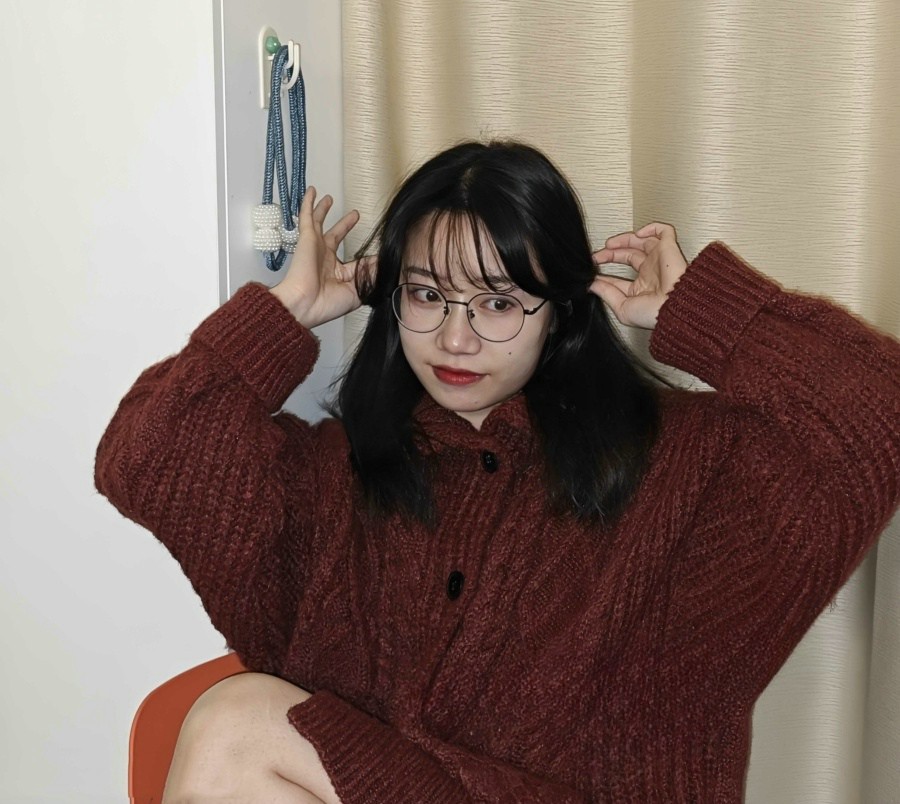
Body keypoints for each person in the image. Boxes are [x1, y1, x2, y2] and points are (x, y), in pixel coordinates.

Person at [95, 140, 900, 803]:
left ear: (561, 313)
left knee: (237, 725)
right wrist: (289, 310)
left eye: (499, 303)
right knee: (234, 732)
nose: (456, 339)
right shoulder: (337, 477)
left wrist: (703, 311)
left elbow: (880, 416)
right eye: (427, 295)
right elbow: (144, 457)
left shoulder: (683, 474)